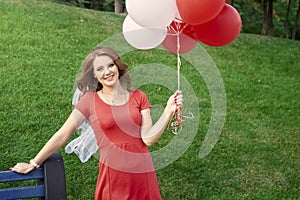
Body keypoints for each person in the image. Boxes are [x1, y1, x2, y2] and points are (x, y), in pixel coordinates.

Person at [10, 46, 183, 200]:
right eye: (100, 68)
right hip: (113, 177)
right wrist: (33, 163)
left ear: (117, 66)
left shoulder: (139, 96)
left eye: (110, 65)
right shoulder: (89, 101)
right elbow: (63, 134)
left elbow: (148, 139)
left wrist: (168, 110)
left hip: (143, 174)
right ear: (94, 74)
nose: (107, 71)